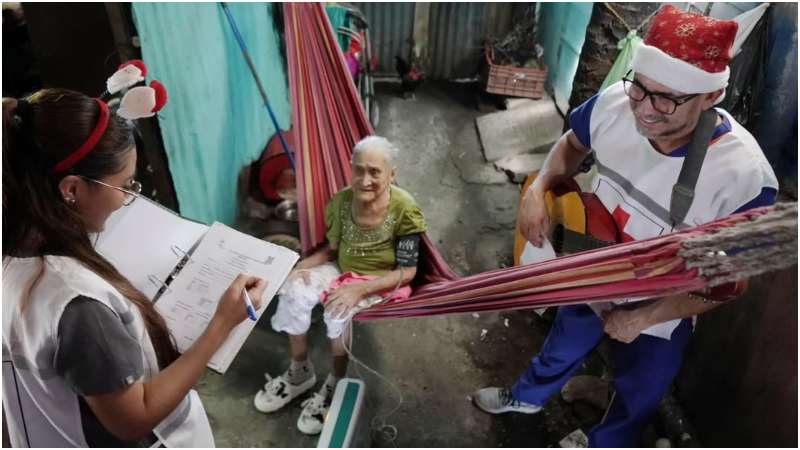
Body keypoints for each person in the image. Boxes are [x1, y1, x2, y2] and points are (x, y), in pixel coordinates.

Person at [472, 6, 779, 447]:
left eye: (667, 99)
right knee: (562, 342)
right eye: (641, 87)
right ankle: (526, 399)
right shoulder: (616, 104)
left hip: (662, 304)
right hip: (591, 265)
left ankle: (605, 442)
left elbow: (726, 284)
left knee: (641, 390)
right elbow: (572, 144)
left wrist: (644, 317)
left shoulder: (744, 178)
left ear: (711, 96)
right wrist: (539, 189)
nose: (645, 110)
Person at [2, 88, 267, 447]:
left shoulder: (15, 249)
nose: (129, 198)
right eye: (125, 186)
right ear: (72, 190)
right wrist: (221, 324)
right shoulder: (77, 305)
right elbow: (133, 418)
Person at [253, 136, 427, 435]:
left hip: (380, 280)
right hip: (341, 268)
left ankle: (336, 381)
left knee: (337, 307)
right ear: (350, 169)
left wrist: (359, 289)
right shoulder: (342, 202)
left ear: (392, 175)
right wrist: (298, 268)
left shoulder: (404, 209)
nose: (365, 179)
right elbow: (331, 252)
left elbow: (408, 271)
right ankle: (300, 372)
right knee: (295, 290)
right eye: (359, 170)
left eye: (375, 172)